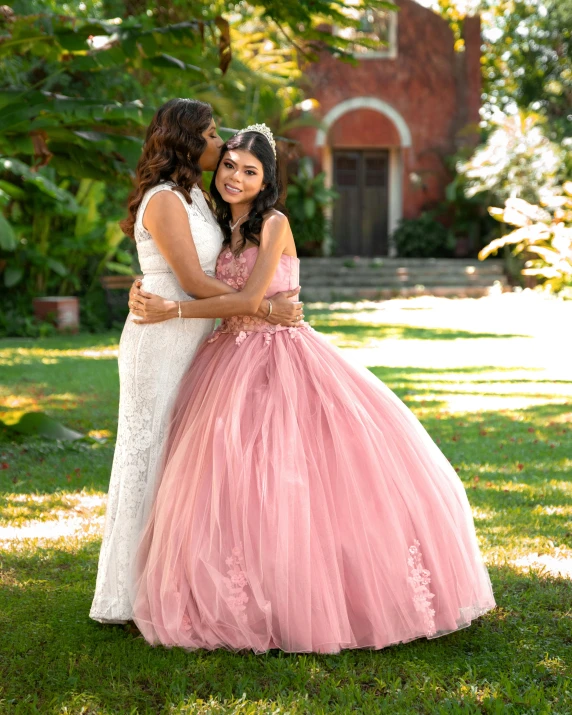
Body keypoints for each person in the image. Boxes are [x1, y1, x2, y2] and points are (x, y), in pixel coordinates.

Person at [128, 124, 495, 653]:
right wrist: (152, 290)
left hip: (283, 357)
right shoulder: (217, 224)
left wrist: (176, 309)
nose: (235, 176)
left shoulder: (273, 223)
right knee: (229, 481)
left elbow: (251, 296)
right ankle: (243, 593)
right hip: (226, 360)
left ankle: (315, 597)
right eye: (229, 165)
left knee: (296, 475)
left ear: (265, 181)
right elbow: (188, 272)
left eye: (249, 172)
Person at [90, 103, 302, 624]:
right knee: (146, 452)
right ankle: (124, 594)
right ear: (187, 142)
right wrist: (262, 305)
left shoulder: (199, 200)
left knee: (178, 461)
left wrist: (251, 300)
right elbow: (189, 278)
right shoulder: (165, 199)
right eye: (210, 136)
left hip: (200, 339)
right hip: (162, 338)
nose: (219, 144)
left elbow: (218, 267)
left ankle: (170, 580)